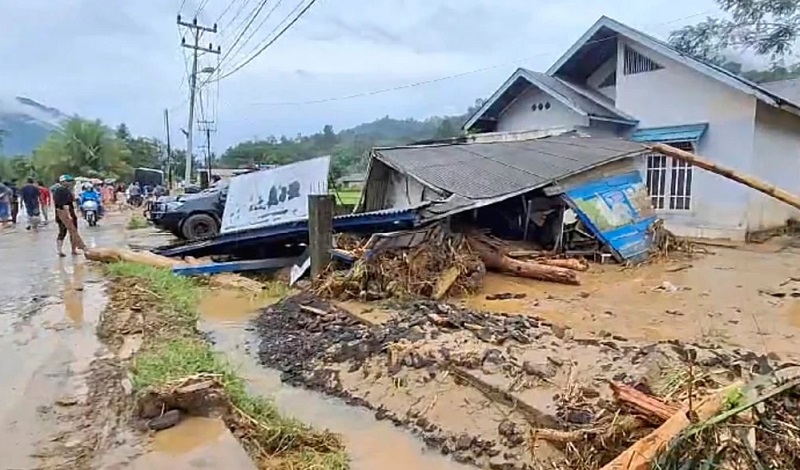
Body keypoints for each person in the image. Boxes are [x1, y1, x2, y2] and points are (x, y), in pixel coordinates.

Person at [53, 174, 80, 256]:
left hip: (62, 214)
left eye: (70, 181)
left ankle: (64, 250)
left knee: (64, 232)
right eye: (68, 181)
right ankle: (71, 250)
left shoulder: (64, 190)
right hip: (65, 214)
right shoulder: (62, 191)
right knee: (69, 232)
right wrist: (69, 216)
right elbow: (65, 205)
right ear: (63, 182)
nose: (70, 183)